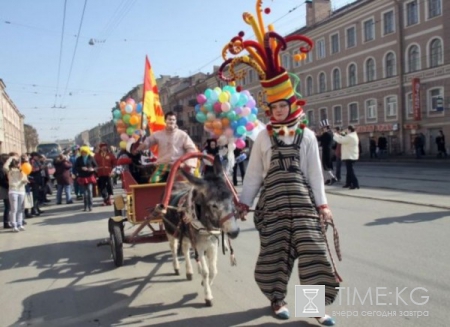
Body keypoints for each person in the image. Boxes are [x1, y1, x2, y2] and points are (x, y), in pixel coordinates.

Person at [221, 9, 340, 324]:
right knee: (275, 258)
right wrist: (244, 202)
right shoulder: (262, 136)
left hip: (303, 208)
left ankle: (316, 310)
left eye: (282, 105)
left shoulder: (308, 135)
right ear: (268, 108)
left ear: (292, 104)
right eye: (273, 107)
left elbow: (314, 173)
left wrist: (323, 205)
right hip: (272, 208)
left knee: (314, 254)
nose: (277, 111)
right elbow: (255, 174)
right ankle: (277, 301)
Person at [135, 111, 197, 183]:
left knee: (181, 184)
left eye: (173, 120)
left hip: (177, 166)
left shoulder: (182, 135)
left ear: (176, 121)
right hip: (162, 165)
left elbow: (191, 150)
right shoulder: (158, 134)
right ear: (165, 121)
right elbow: (147, 142)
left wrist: (186, 164)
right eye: (169, 119)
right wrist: (141, 139)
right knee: (153, 182)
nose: (171, 121)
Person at [3, 154, 28, 232]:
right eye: (17, 163)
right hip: (13, 190)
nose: (19, 164)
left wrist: (25, 181)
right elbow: (5, 167)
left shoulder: (23, 171)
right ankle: (14, 225)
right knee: (14, 209)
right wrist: (10, 158)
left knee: (20, 209)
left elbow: (25, 180)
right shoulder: (10, 171)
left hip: (21, 191)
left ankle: (20, 224)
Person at [75, 146, 97, 211]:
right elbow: (76, 167)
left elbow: (96, 166)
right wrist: (81, 168)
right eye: (82, 152)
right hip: (82, 176)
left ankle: (90, 206)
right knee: (85, 193)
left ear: (87, 152)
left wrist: (92, 169)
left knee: (90, 191)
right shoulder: (78, 159)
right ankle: (85, 206)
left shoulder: (91, 158)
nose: (83, 153)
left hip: (89, 176)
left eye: (84, 152)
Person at [317, 120, 337, 185]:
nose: (322, 130)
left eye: (323, 128)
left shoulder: (326, 134)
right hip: (330, 150)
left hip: (326, 151)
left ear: (326, 127)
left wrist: (314, 135)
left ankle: (333, 177)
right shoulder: (331, 133)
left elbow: (319, 139)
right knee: (329, 165)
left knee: (325, 165)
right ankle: (328, 179)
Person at [0, 153, 11, 228]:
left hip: (5, 187)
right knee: (8, 206)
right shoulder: (1, 168)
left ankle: (7, 222)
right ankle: (6, 222)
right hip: (4, 188)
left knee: (8, 206)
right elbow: (1, 180)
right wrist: (8, 185)